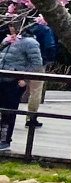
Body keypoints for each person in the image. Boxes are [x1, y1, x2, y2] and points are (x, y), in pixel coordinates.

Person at [0, 20, 44, 152]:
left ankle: (5, 140)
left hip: (14, 81)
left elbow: (37, 63)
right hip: (2, 78)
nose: (10, 28)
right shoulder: (7, 40)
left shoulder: (30, 43)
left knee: (9, 112)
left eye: (13, 25)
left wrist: (25, 78)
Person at [23, 15, 55, 129]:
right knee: (35, 91)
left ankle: (6, 114)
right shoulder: (45, 30)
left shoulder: (24, 27)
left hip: (22, 62)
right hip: (39, 62)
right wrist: (49, 60)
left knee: (14, 88)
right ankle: (31, 118)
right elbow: (50, 46)